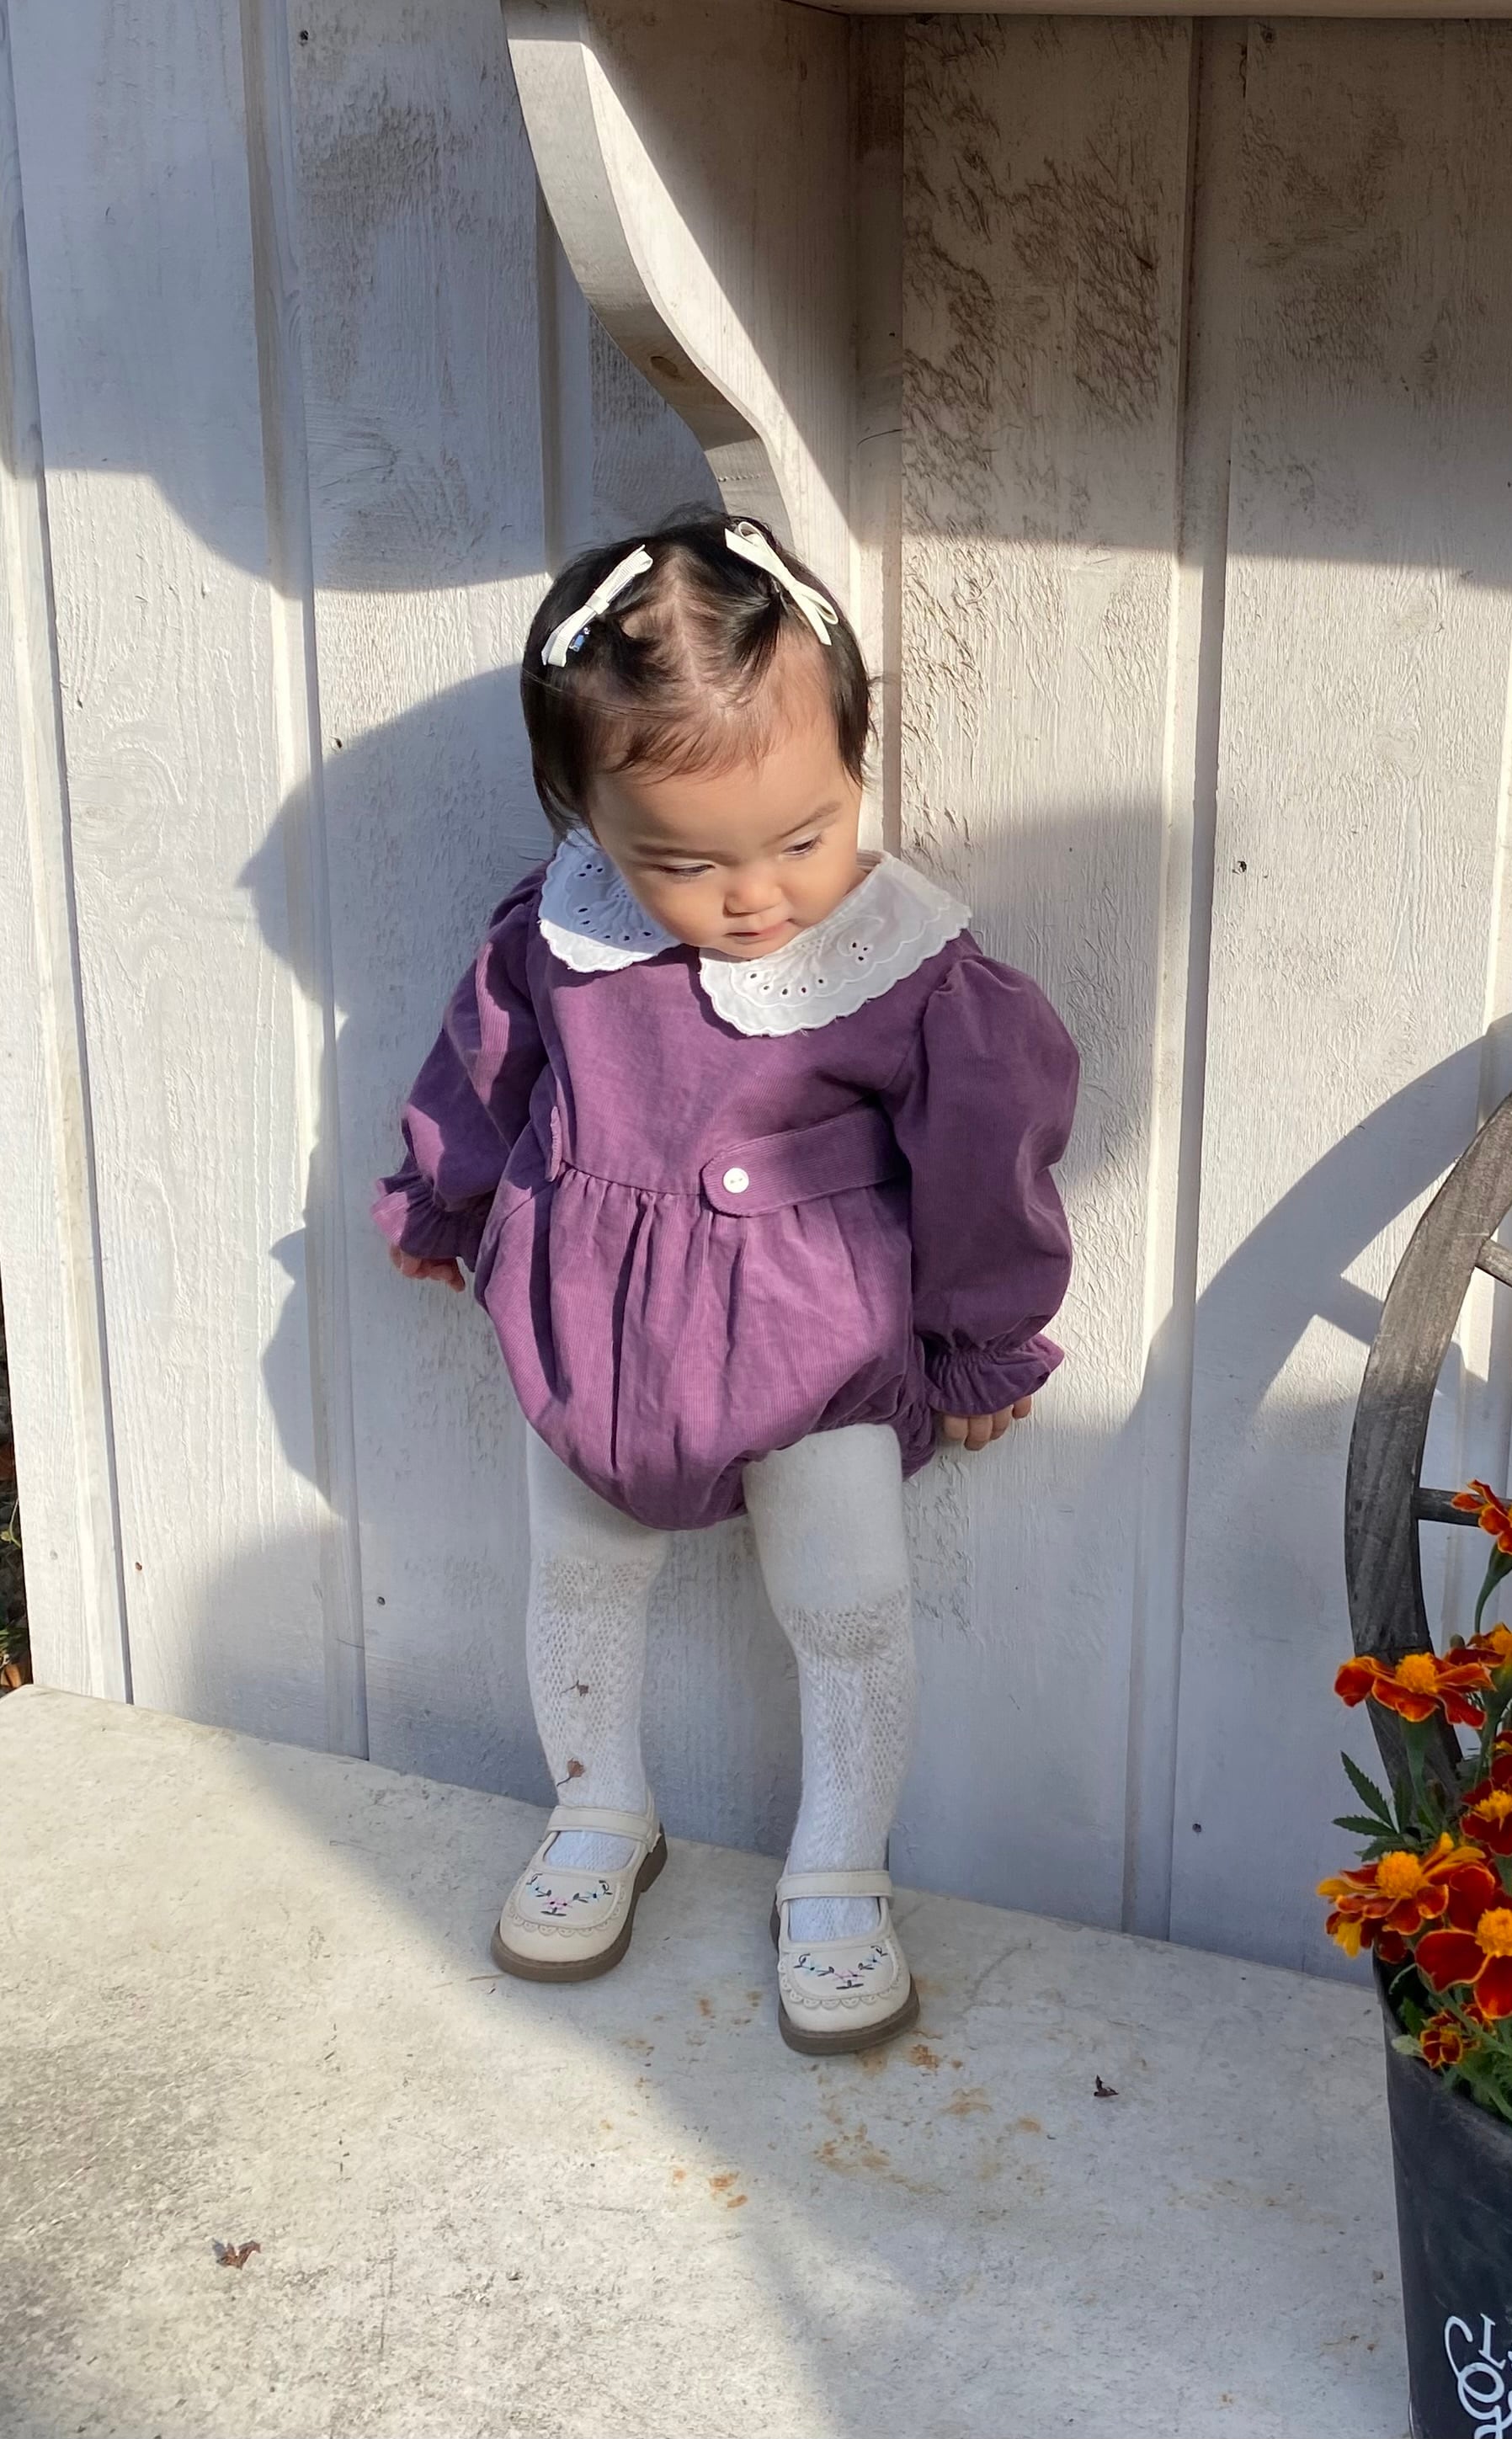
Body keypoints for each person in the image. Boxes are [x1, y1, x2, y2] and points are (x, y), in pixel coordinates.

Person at [374, 514, 1078, 2055]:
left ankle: (838, 1863)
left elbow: (986, 1161)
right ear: (588, 814)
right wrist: (444, 1194)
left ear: (855, 768)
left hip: (810, 1345)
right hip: (594, 1328)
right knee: (578, 1575)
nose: (755, 895)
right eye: (684, 861)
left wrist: (981, 1344)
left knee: (848, 1604)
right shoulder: (565, 935)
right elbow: (482, 1067)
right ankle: (596, 1806)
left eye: (803, 837)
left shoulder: (904, 969)